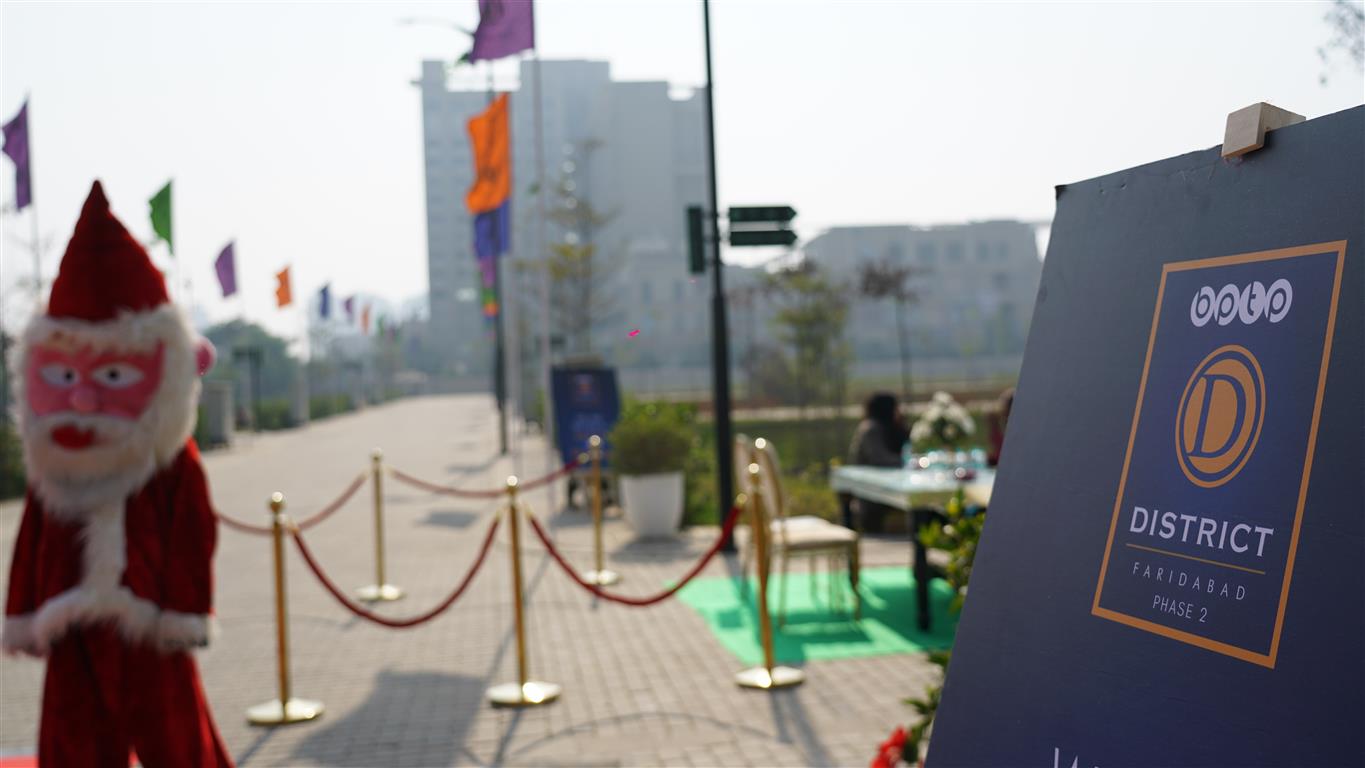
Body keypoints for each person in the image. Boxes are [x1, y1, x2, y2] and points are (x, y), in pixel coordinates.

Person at [2, 182, 234, 766]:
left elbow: (192, 533)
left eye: (110, 376)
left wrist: (184, 611)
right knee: (74, 741)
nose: (82, 397)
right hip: (72, 624)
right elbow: (34, 533)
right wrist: (23, 611)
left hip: (150, 622)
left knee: (177, 740)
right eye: (64, 377)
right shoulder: (55, 459)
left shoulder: (171, 460)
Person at [847, 392, 910, 532]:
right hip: (872, 494)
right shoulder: (870, 429)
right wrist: (912, 463)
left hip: (889, 487)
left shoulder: (888, 427)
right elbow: (880, 459)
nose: (899, 411)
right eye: (896, 408)